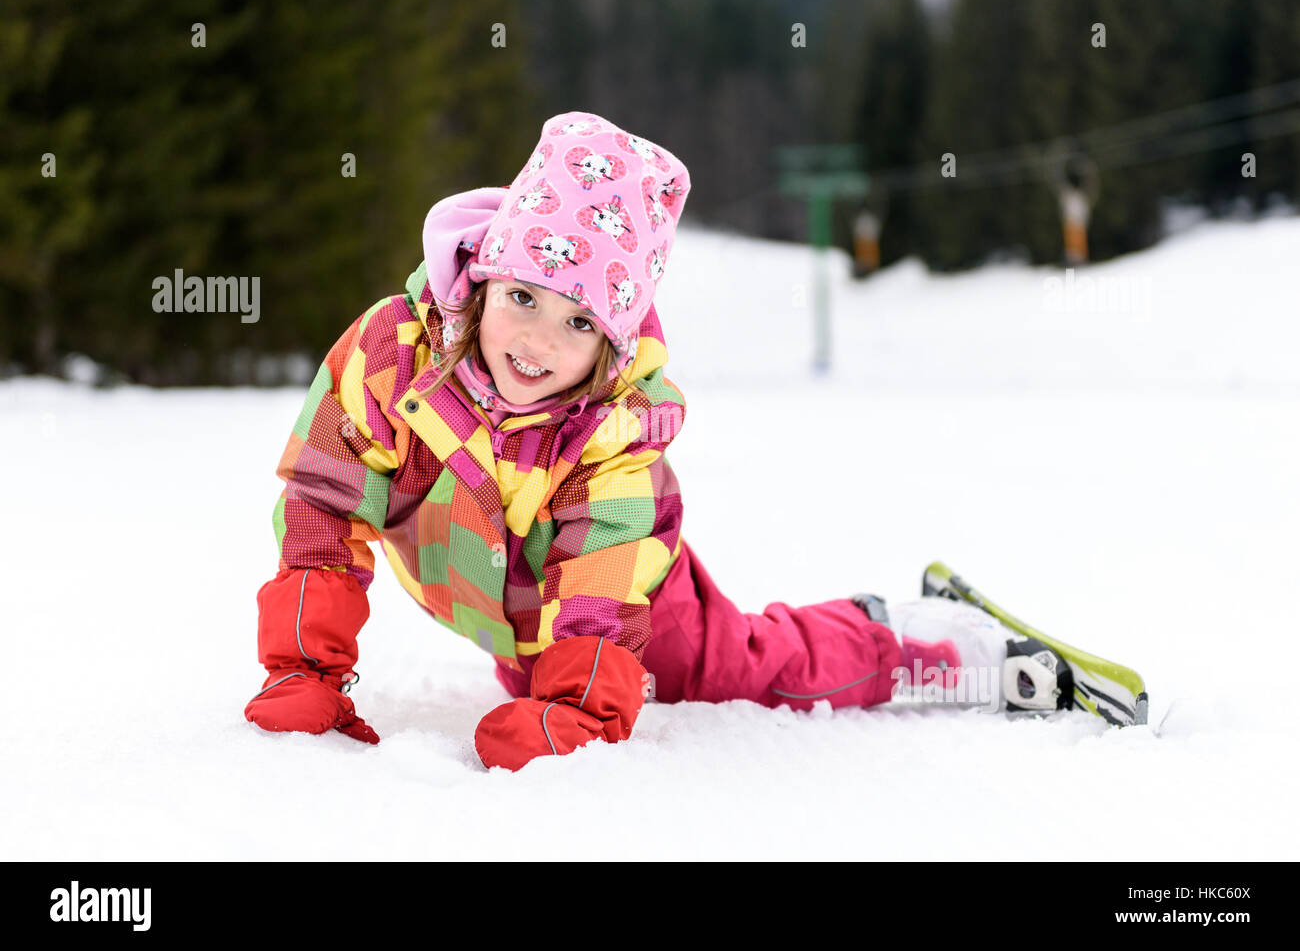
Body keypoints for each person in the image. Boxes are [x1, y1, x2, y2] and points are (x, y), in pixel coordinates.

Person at [243, 110, 1009, 771]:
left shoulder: (608, 434)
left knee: (749, 670)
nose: (539, 341)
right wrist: (303, 672)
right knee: (530, 678)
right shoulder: (393, 356)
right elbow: (325, 499)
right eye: (523, 297)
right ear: (481, 276)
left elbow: (598, 589)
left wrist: (576, 714)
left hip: (629, 590)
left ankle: (916, 647)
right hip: (518, 610)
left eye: (580, 322)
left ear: (611, 345)